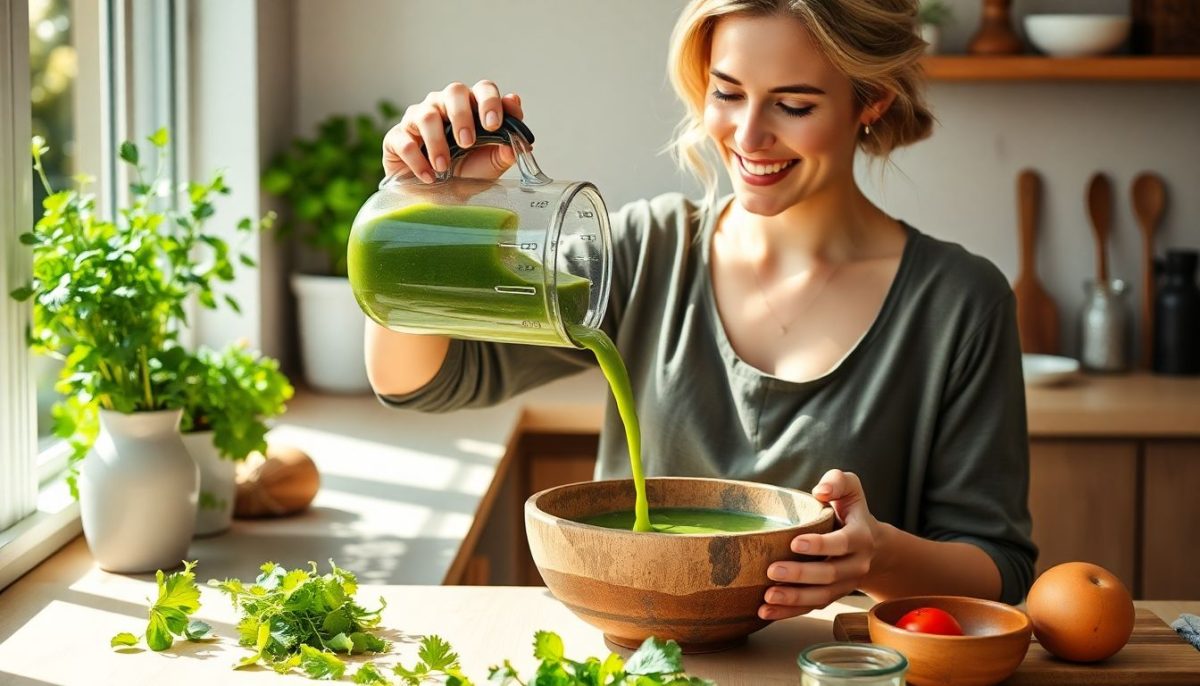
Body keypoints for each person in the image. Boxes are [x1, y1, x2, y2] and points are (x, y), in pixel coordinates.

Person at [366, 0, 1037, 620]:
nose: (749, 135)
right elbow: (422, 379)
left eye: (794, 105)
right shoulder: (643, 250)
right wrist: (429, 204)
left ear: (872, 101)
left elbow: (1000, 570)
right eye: (726, 92)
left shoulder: (959, 303)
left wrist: (877, 555)